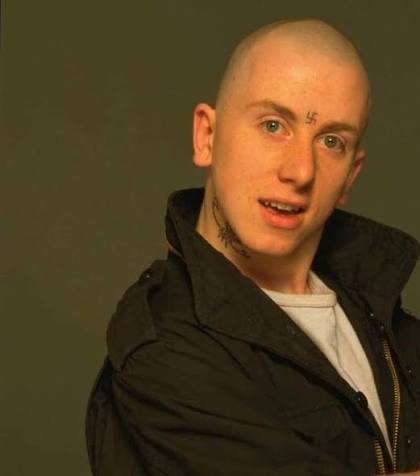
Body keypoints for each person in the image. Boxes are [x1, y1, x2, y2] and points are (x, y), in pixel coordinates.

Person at [86, 17, 420, 476]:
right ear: (206, 136)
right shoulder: (163, 351)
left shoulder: (383, 321)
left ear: (350, 175)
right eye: (272, 125)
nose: (300, 170)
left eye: (331, 141)